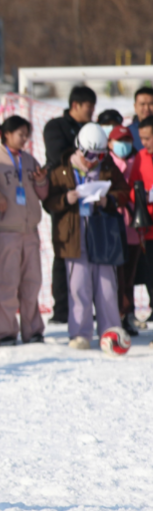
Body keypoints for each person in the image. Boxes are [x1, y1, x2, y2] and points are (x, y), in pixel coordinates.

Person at [45, 123, 129, 349]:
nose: (93, 160)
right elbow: (49, 201)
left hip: (101, 232)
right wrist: (66, 199)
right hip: (74, 234)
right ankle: (80, 333)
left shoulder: (108, 167)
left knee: (106, 286)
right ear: (79, 149)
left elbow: (124, 192)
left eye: (99, 155)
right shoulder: (61, 169)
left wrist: (108, 200)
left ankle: (110, 330)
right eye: (90, 154)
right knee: (78, 285)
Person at [0, 115, 49, 346]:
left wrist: (42, 182)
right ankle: (4, 332)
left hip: (30, 231)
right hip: (4, 232)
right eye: (20, 134)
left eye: (26, 134)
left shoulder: (30, 160)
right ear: (6, 134)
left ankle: (33, 330)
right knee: (5, 283)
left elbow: (43, 195)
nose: (24, 139)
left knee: (32, 283)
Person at [43, 85, 96, 325]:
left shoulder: (90, 128)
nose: (91, 112)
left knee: (89, 252)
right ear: (76, 105)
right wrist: (77, 156)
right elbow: (56, 156)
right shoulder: (56, 127)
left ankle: (86, 304)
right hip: (63, 197)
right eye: (89, 107)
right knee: (64, 250)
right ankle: (62, 307)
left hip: (89, 199)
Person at [108, 125, 142, 335]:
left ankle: (127, 314)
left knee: (129, 276)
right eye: (119, 141)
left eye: (128, 141)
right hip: (111, 226)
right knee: (113, 276)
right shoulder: (106, 163)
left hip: (132, 227)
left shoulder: (137, 161)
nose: (124, 146)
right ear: (110, 143)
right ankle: (113, 315)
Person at [128, 117, 153, 342]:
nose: (145, 143)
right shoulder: (140, 157)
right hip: (149, 230)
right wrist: (142, 198)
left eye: (149, 138)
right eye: (142, 138)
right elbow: (131, 189)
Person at [128, 87, 153, 152]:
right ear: (135, 106)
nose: (147, 108)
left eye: (151, 104)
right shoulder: (128, 132)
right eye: (142, 104)